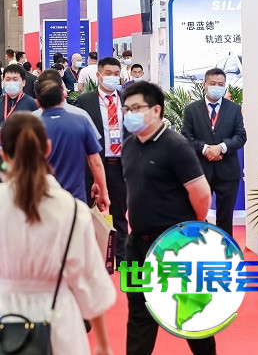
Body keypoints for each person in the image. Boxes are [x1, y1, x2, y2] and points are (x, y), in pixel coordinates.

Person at [0, 113, 116, 355]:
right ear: (47, 148)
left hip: (3, 316)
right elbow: (89, 278)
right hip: (59, 319)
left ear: (3, 155)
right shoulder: (72, 208)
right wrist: (103, 343)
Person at [120, 81, 213, 355]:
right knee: (139, 312)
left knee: (190, 311)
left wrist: (192, 227)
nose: (130, 114)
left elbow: (201, 193)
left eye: (136, 108)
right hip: (137, 244)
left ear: (156, 110)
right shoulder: (129, 146)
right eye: (126, 109)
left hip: (174, 244)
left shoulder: (176, 146)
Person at [74, 57, 129, 265]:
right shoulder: (85, 101)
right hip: (93, 163)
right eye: (108, 73)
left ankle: (121, 257)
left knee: (120, 213)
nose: (112, 77)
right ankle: (85, 257)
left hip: (119, 164)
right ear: (98, 75)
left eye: (116, 74)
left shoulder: (128, 100)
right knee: (86, 211)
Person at [181, 67, 247, 236]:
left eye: (221, 84)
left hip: (228, 172)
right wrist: (205, 149)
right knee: (196, 216)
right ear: (205, 84)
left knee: (225, 219)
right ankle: (196, 248)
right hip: (199, 173)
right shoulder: (191, 110)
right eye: (213, 83)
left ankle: (225, 250)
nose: (217, 87)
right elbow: (186, 137)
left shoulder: (234, 109)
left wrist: (221, 148)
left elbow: (241, 136)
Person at [35, 70, 110, 210]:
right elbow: (95, 162)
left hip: (40, 199)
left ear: (37, 102)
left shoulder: (29, 125)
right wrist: (103, 191)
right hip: (75, 201)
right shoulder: (81, 120)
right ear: (63, 95)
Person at [0, 64, 38, 183]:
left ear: (23, 82)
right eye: (8, 79)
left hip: (23, 156)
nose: (11, 82)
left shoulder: (32, 104)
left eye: (15, 79)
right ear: (3, 81)